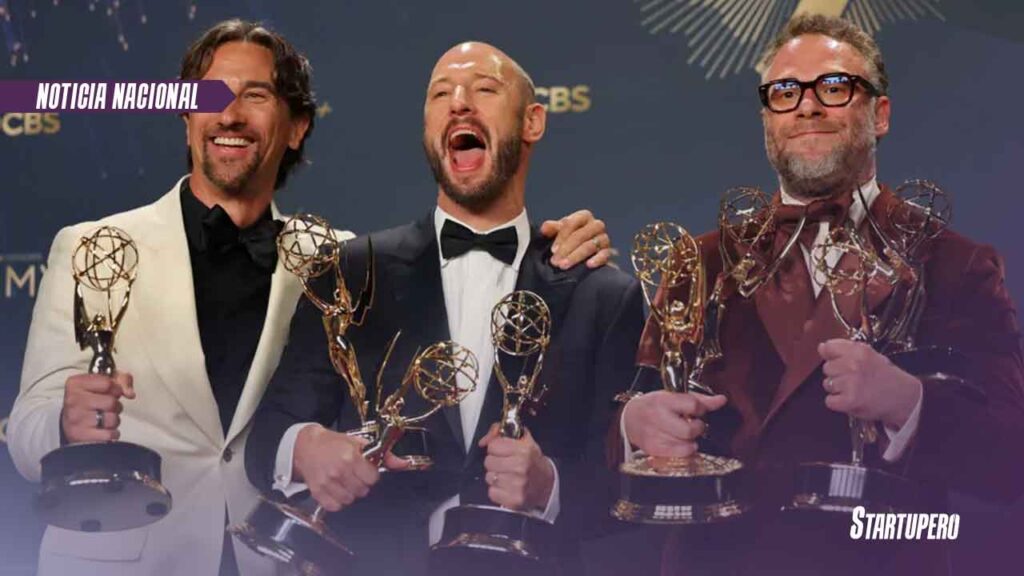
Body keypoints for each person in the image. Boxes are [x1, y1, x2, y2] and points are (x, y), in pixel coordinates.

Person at [8, 20, 611, 576]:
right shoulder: (93, 247)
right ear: (186, 116)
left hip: (275, 556)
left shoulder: (339, 261)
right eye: (211, 96)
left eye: (255, 95)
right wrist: (63, 423)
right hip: (123, 558)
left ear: (296, 126)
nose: (229, 114)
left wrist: (557, 244)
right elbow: (28, 430)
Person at [617, 14, 1024, 576]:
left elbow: (1009, 460)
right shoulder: (700, 262)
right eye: (785, 92)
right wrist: (633, 428)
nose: (806, 106)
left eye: (833, 87)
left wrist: (909, 404)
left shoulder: (955, 264)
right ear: (768, 120)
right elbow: (616, 436)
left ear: (880, 114)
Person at [246, 41, 644, 576]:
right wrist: (305, 448)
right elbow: (266, 440)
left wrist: (548, 486)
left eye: (484, 89)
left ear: (532, 121)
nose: (459, 102)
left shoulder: (603, 295)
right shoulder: (348, 271)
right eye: (440, 94)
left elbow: (631, 488)